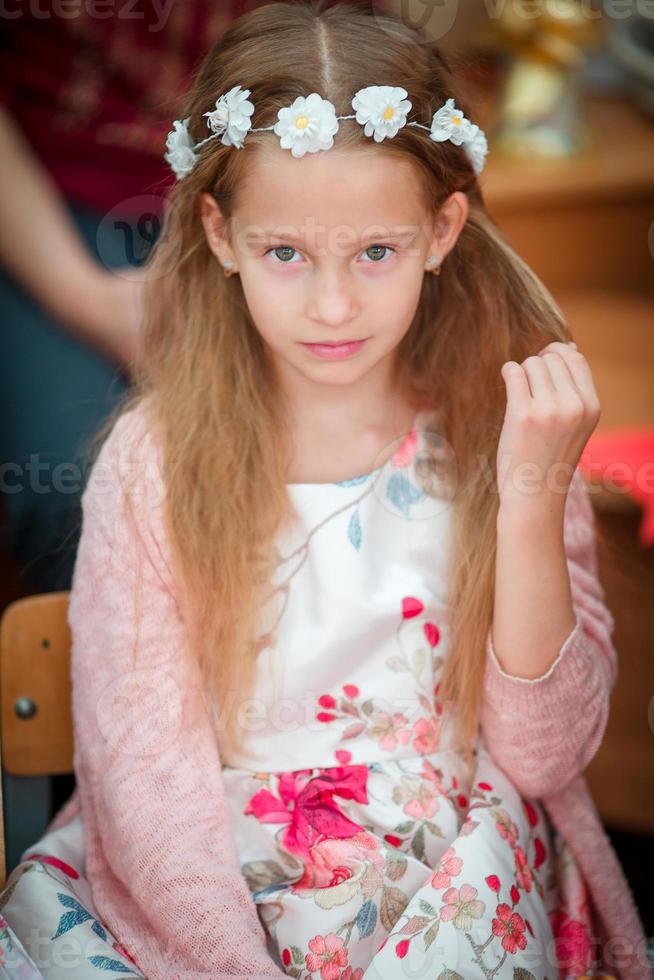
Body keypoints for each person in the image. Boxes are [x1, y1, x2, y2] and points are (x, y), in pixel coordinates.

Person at [0, 1, 650, 977]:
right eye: (286, 253)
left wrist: (526, 497)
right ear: (221, 236)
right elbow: (144, 789)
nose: (334, 304)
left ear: (443, 229)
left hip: (458, 869)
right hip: (211, 890)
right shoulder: (155, 461)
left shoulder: (499, 436)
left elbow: (546, 758)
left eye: (376, 252)